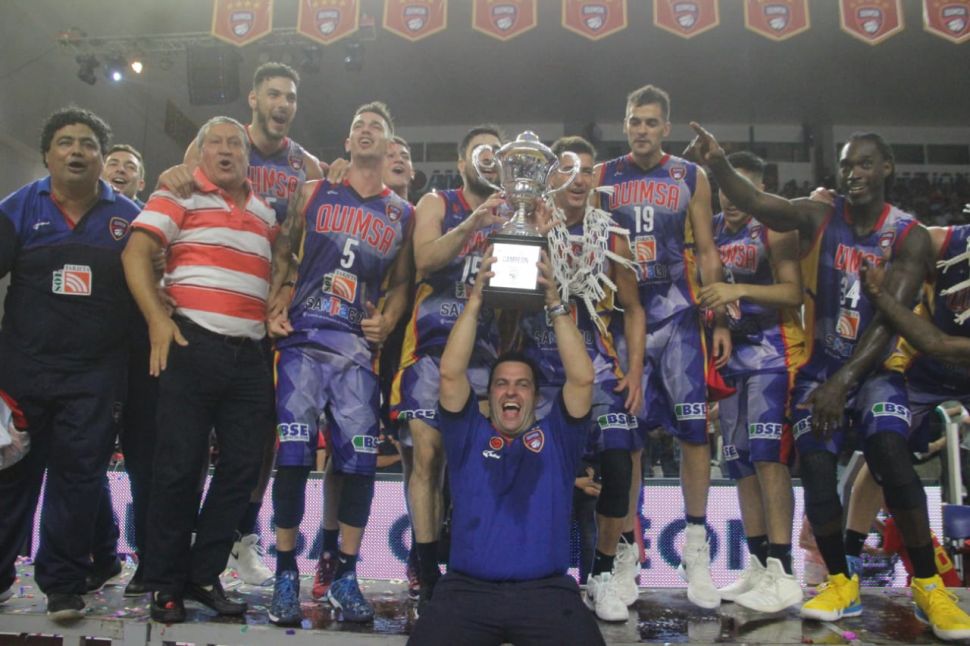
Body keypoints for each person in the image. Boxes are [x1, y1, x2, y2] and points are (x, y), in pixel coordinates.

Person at [688, 123, 970, 641]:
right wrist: (718, 163)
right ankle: (841, 581)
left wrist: (844, 381)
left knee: (890, 455)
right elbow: (760, 203)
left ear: (886, 169)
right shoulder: (822, 215)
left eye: (865, 164)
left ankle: (930, 586)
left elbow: (889, 322)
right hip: (820, 368)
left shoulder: (907, 234)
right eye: (846, 165)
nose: (854, 173)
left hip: (876, 368)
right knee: (816, 465)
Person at [158, 62, 324, 587]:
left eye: (290, 96)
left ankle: (240, 537)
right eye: (273, 93)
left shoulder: (307, 164)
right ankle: (178, 549)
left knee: (259, 442)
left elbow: (306, 240)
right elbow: (178, 195)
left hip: (272, 311)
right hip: (207, 313)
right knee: (190, 445)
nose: (282, 103)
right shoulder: (218, 143)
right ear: (253, 98)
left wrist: (285, 293)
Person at [407, 241, 605, 646]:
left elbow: (583, 378)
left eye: (521, 384)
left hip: (547, 593)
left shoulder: (559, 437)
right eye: (501, 383)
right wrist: (477, 299)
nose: (510, 391)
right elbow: (450, 373)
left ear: (536, 395)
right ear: (490, 393)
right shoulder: (467, 434)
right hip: (467, 592)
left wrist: (554, 302)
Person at [122, 116, 278, 623]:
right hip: (191, 344)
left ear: (248, 156)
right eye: (216, 143)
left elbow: (281, 266)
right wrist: (156, 318)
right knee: (178, 468)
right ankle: (166, 582)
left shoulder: (265, 212)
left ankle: (203, 573)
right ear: (201, 153)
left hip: (249, 354)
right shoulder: (179, 194)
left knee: (244, 469)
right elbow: (136, 253)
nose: (227, 150)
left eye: (236, 143)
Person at [266, 102, 414, 625]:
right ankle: (286, 572)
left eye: (376, 127)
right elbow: (284, 248)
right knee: (294, 457)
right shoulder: (313, 191)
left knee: (359, 465)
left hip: (356, 351)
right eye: (358, 127)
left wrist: (389, 318)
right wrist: (278, 295)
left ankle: (346, 575)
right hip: (303, 340)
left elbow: (402, 282)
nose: (366, 131)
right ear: (348, 143)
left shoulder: (402, 212)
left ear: (389, 145)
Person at [0, 107, 140, 620]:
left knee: (78, 479)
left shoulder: (131, 219)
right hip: (22, 372)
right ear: (47, 155)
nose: (76, 151)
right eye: (65, 142)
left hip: (95, 377)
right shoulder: (17, 209)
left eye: (87, 144)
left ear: (102, 158)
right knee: (9, 476)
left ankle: (62, 583)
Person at [596, 85, 731, 610]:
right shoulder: (604, 175)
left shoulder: (690, 176)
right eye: (635, 121)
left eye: (651, 122)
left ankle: (696, 551)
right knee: (627, 439)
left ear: (665, 128)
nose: (642, 130)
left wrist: (718, 317)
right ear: (625, 125)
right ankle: (628, 553)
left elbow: (708, 249)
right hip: (622, 318)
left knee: (694, 434)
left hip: (677, 314)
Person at [515, 136, 645, 622]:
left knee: (618, 460)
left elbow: (633, 308)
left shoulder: (611, 236)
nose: (579, 178)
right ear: (549, 177)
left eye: (588, 170)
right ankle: (532, 575)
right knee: (533, 475)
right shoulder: (524, 224)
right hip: (541, 373)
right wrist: (533, 240)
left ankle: (603, 576)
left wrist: (635, 370)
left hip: (598, 371)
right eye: (568, 169)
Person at [389, 125, 506, 603]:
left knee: (477, 463)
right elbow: (425, 259)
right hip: (430, 348)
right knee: (428, 456)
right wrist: (473, 223)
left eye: (497, 152)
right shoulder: (437, 202)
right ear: (462, 163)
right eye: (480, 151)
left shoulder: (513, 214)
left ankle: (467, 560)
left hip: (485, 352)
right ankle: (425, 568)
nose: (490, 157)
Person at [703, 151, 805, 613]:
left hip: (774, 354)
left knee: (768, 457)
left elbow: (792, 292)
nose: (730, 197)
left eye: (741, 188)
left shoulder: (775, 225)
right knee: (739, 462)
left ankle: (783, 570)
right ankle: (760, 565)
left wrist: (737, 290)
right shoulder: (711, 229)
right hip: (732, 359)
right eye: (725, 188)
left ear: (759, 190)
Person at [88, 143, 155, 597]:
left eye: (130, 166)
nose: (119, 170)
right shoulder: (82, 221)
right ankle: (103, 553)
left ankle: (150, 561)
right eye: (113, 163)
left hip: (144, 359)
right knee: (84, 460)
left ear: (141, 182)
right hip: (93, 359)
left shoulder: (153, 221)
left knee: (145, 465)